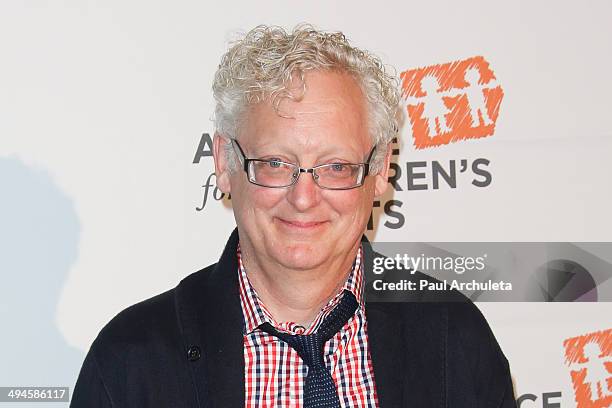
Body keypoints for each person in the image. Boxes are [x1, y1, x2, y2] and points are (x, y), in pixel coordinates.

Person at [71, 24, 517, 407]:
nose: (304, 197)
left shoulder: (453, 339)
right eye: (275, 164)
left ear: (380, 171)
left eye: (336, 167)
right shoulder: (131, 362)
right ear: (225, 163)